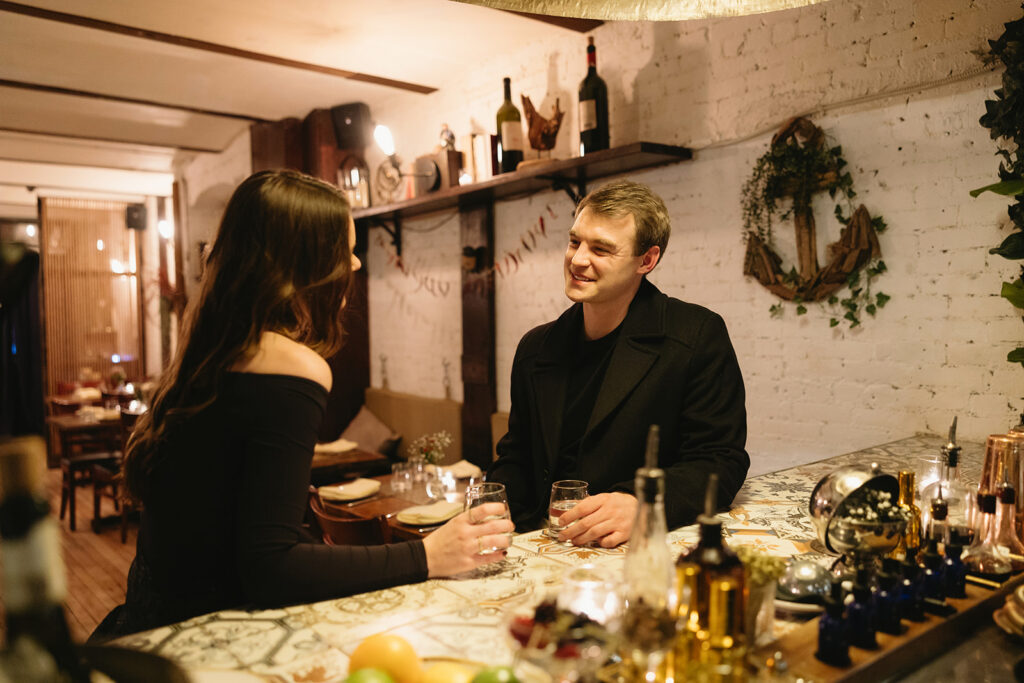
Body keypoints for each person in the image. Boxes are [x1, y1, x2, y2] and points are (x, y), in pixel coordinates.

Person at [93, 170, 512, 640]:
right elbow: (271, 565)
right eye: (345, 250)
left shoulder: (210, 350)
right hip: (208, 637)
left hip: (150, 619)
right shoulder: (292, 364)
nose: (354, 265)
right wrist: (430, 555)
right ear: (309, 263)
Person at [488, 180, 748, 547]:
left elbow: (720, 461)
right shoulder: (535, 347)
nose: (578, 259)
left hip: (629, 549)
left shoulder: (696, 336)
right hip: (539, 543)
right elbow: (518, 455)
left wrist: (642, 504)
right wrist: (490, 507)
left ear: (647, 260)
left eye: (602, 249)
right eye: (575, 241)